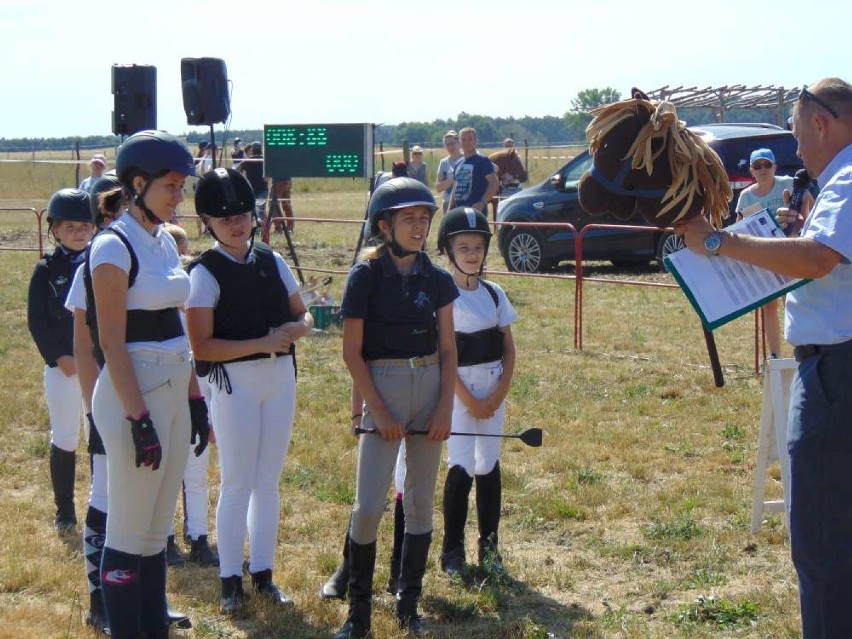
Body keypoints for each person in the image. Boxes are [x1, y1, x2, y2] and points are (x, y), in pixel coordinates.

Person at [675, 77, 852, 639]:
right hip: (834, 366)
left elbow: (820, 257)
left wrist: (716, 242)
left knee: (822, 536)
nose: (795, 149)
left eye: (798, 134)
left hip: (836, 372)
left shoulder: (848, 176)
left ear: (822, 124)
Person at [87, 130, 208, 639]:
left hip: (173, 388)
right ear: (138, 183)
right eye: (172, 185)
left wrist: (195, 398)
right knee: (128, 526)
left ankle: (153, 625)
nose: (180, 196)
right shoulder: (112, 246)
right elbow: (112, 344)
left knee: (157, 528)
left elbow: (177, 326)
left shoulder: (161, 240)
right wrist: (138, 419)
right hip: (132, 395)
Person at [332, 177, 457, 638]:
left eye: (424, 218)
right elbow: (352, 353)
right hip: (381, 383)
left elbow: (448, 350)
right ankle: (358, 614)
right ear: (384, 225)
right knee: (368, 505)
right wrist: (376, 411)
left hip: (429, 384)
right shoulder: (365, 275)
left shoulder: (439, 279)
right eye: (408, 218)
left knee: (421, 503)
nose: (419, 226)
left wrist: (444, 408)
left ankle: (409, 605)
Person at [185, 167, 313, 614]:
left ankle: (263, 573)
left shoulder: (272, 261)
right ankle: (228, 581)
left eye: (242, 215)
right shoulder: (203, 272)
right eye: (225, 220)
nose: (237, 224)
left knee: (268, 482)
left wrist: (295, 330)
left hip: (280, 377)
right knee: (238, 482)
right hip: (234, 382)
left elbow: (305, 314)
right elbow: (201, 345)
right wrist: (260, 342)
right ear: (209, 224)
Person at [436, 207, 518, 578]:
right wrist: (469, 400)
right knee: (462, 464)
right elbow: (443, 354)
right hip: (459, 393)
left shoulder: (494, 294)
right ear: (448, 251)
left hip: (492, 389)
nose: (472, 253)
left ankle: (490, 547)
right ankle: (451, 551)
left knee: (489, 463)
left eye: (478, 247)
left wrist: (499, 393)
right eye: (463, 246)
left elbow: (509, 346)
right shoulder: (444, 295)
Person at [27, 188, 95, 534]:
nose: (78, 233)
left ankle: (103, 505)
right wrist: (57, 356)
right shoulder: (46, 268)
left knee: (99, 432)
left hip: (98, 365)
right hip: (65, 366)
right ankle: (65, 510)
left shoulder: (102, 263)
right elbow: (37, 319)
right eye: (70, 227)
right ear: (55, 230)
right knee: (65, 435)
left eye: (85, 226)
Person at [162, 223, 220, 568]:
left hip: (200, 397)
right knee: (170, 472)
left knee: (196, 473)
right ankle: (165, 538)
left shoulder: (198, 309)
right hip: (170, 397)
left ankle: (198, 536)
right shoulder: (162, 312)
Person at [735, 148, 813, 359]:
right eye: (757, 166)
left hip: (791, 252)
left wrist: (802, 223)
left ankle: (801, 348)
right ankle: (775, 355)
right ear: (751, 170)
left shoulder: (787, 184)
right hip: (765, 255)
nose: (763, 169)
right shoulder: (746, 196)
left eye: (767, 165)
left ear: (775, 167)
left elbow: (810, 203)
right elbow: (740, 226)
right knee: (769, 307)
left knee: (794, 300)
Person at [449, 127, 500, 219]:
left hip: (476, 213)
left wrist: (482, 202)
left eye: (470, 139)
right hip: (458, 212)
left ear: (476, 141)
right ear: (459, 142)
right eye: (463, 139)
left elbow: (494, 182)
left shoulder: (482, 160)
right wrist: (450, 210)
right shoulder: (458, 163)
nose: (467, 142)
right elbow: (455, 187)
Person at [435, 131, 463, 214]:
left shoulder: (468, 158)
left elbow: (494, 169)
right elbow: (438, 188)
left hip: (465, 202)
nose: (450, 147)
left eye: (452, 143)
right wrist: (452, 180)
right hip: (448, 203)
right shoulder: (443, 163)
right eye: (448, 145)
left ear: (459, 143)